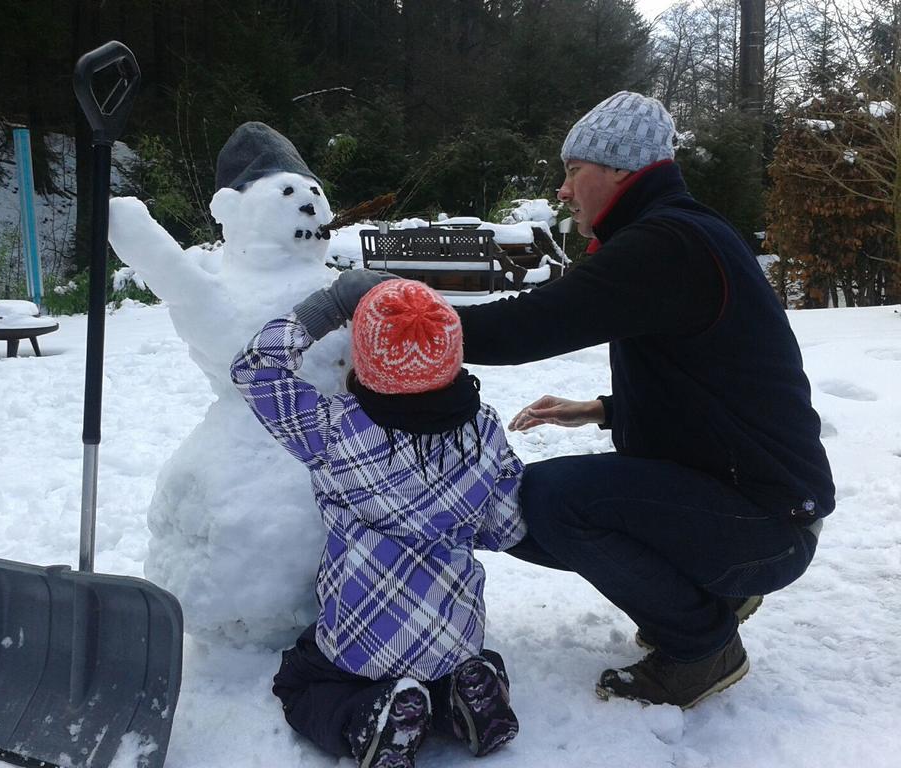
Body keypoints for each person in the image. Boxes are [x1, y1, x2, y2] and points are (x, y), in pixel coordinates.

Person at [445, 91, 834, 708]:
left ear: (621, 170)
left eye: (574, 171)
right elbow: (721, 382)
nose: (565, 191)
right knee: (517, 507)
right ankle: (713, 592)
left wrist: (392, 324)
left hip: (766, 522)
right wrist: (605, 408)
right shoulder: (684, 235)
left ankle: (702, 645)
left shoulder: (667, 244)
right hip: (761, 506)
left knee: (547, 501)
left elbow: (526, 327)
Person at [230, 274, 527, 767]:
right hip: (455, 632)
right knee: (451, 657)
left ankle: (371, 715)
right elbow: (507, 526)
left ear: (366, 361)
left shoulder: (331, 429)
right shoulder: (485, 429)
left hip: (357, 637)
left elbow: (255, 366)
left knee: (300, 681)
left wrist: (330, 306)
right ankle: (465, 696)